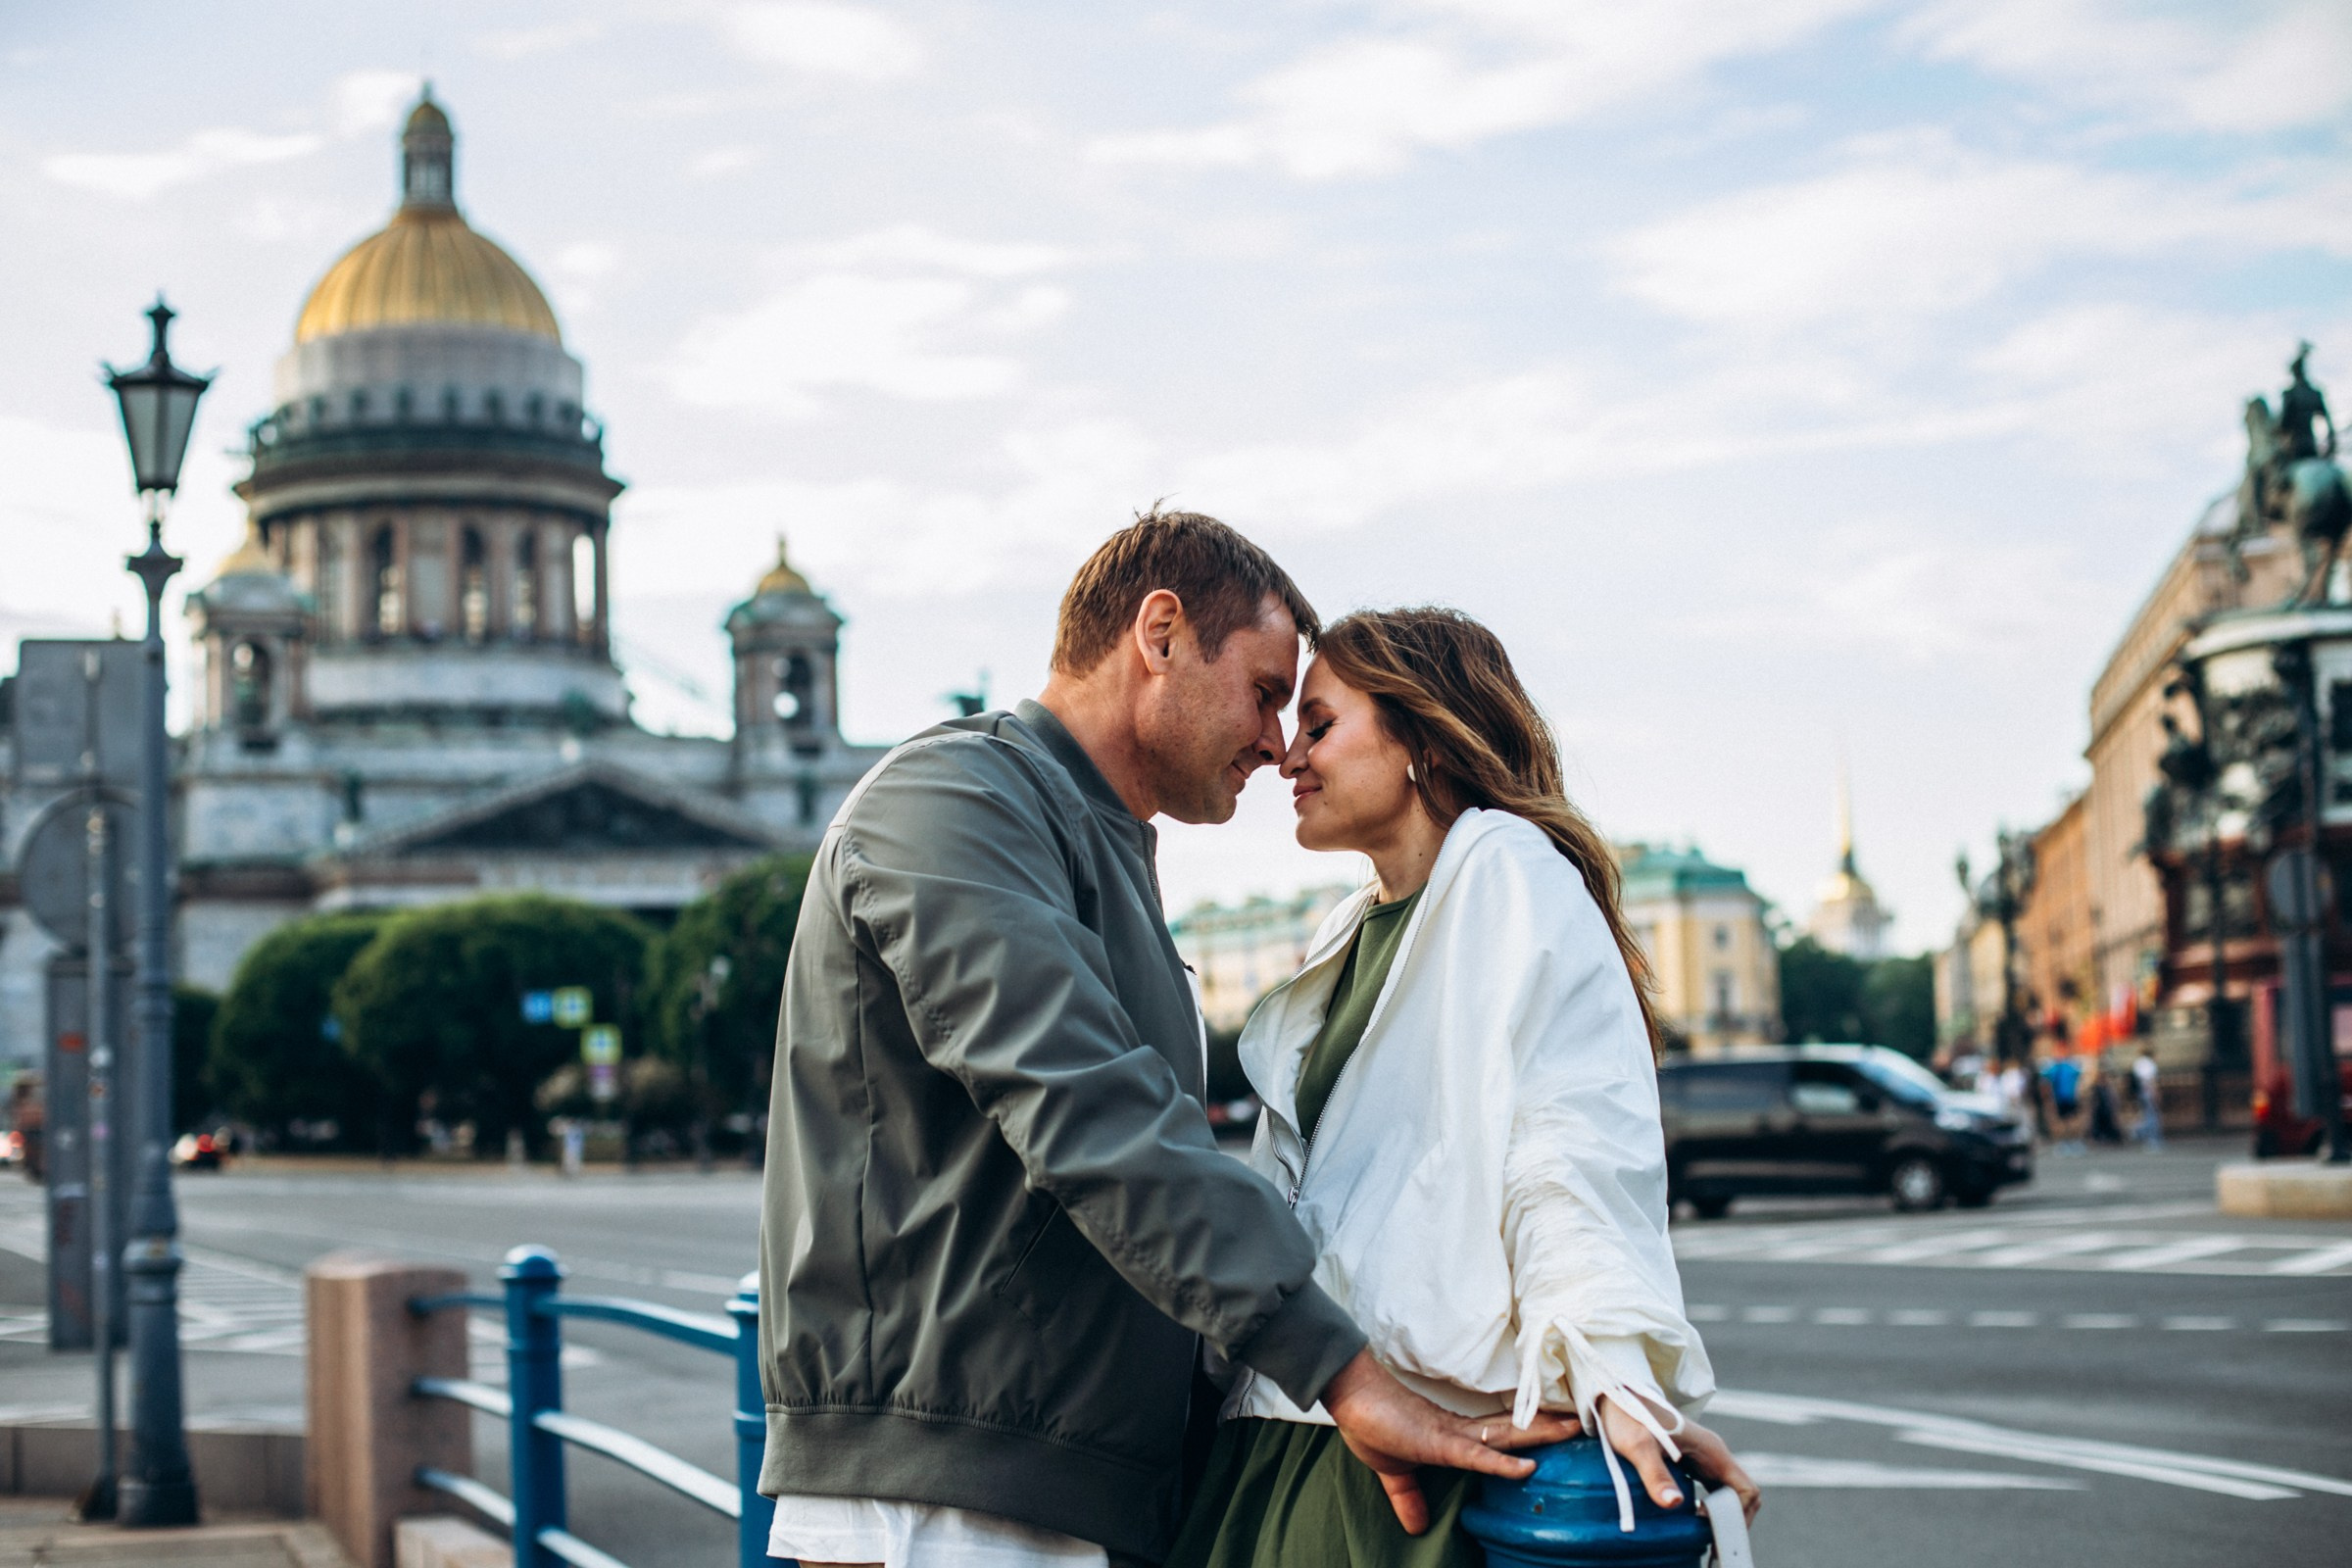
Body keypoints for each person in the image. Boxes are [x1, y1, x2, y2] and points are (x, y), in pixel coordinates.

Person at [756, 514, 1571, 1568]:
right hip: (947, 1491)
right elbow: (1091, 1109)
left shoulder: (1091, 837)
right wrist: (1344, 1372)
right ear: (1162, 633)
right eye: (1269, 692)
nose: (1279, 744)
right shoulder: (951, 799)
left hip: (1045, 1478)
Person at [1170, 608, 1759, 1568]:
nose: (1286, 755)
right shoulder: (1350, 927)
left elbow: (1564, 1134)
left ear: (1421, 739)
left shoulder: (1504, 867)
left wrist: (1608, 1369)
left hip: (1410, 1455)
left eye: (1320, 724)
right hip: (1314, 1420)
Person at [2133, 1047, 2165, 1150]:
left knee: (2147, 1115)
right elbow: (2150, 1080)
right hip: (2148, 1092)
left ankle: (2141, 1133)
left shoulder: (2138, 1063)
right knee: (2152, 1116)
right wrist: (2155, 1093)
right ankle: (2150, 1138)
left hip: (2142, 1092)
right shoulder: (2149, 1063)